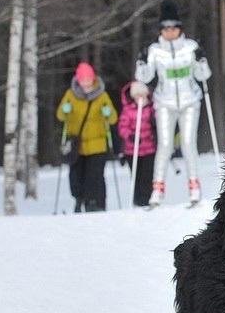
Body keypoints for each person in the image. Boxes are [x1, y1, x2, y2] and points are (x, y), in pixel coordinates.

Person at [135, 0, 212, 206]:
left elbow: (204, 75)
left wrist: (201, 59)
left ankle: (194, 188)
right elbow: (143, 77)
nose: (169, 32)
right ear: (161, 30)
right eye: (165, 28)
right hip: (165, 102)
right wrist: (141, 61)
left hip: (189, 101)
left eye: (173, 27)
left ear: (179, 28)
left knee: (188, 144)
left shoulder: (190, 47)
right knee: (165, 145)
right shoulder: (155, 50)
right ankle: (157, 191)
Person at [56, 61, 118, 213]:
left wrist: (107, 112)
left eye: (88, 79)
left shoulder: (101, 95)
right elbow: (60, 116)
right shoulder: (71, 95)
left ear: (93, 79)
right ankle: (79, 199)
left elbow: (113, 119)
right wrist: (65, 110)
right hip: (77, 145)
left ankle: (96, 204)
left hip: (97, 144)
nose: (86, 83)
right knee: (76, 176)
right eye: (83, 80)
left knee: (95, 176)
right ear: (78, 80)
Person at [118, 80, 156, 208]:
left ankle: (147, 199)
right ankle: (137, 199)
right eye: (137, 95)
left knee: (147, 175)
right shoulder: (128, 110)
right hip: (132, 150)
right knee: (136, 176)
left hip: (149, 149)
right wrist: (130, 136)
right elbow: (122, 127)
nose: (140, 98)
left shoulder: (152, 109)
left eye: (142, 95)